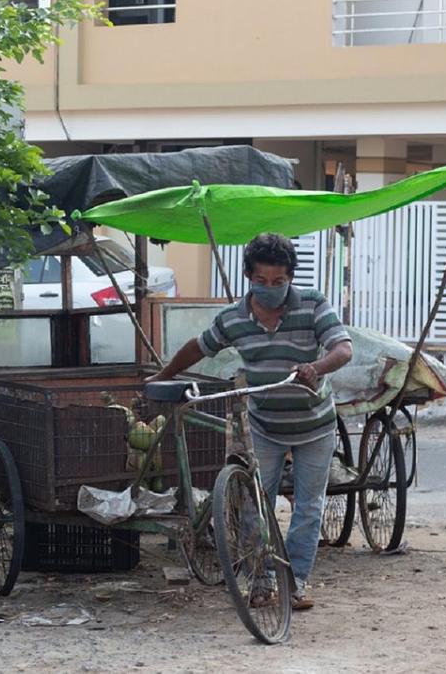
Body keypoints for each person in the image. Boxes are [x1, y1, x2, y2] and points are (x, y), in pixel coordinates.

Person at [147, 233, 353, 610]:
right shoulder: (233, 317)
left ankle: (296, 582)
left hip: (315, 426)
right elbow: (200, 345)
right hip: (264, 426)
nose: (270, 289)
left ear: (290, 277)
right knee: (254, 506)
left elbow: (343, 348)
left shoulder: (313, 304)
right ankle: (262, 579)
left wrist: (316, 367)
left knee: (308, 507)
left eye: (279, 281)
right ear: (248, 277)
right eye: (262, 281)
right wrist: (165, 375)